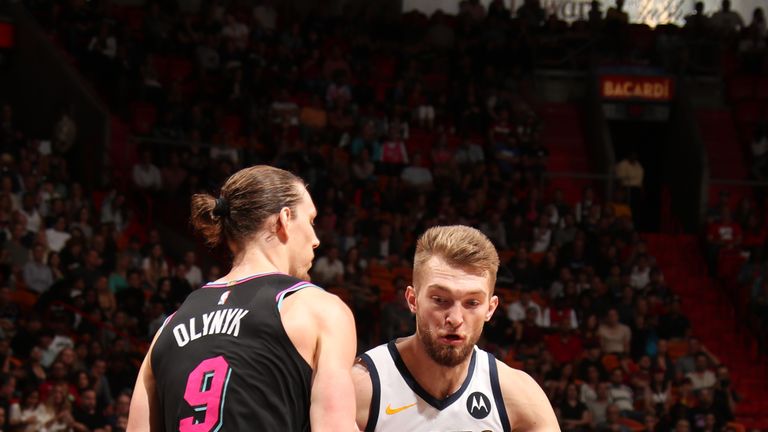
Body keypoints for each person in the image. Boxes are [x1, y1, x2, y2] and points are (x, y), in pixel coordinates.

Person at [127, 165, 357, 431]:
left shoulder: (168, 327)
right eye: (310, 220)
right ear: (284, 219)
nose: (316, 239)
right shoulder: (319, 310)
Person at [351, 225, 558, 431]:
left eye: (472, 303)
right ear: (413, 300)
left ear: (490, 308)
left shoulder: (520, 397)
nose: (455, 318)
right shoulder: (360, 389)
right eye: (440, 300)